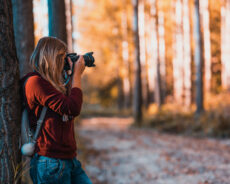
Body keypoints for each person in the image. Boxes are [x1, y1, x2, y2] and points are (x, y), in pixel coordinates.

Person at [20, 37, 92, 184]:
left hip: (69, 160)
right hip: (51, 163)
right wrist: (77, 75)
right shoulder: (35, 82)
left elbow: (68, 103)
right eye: (62, 56)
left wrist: (71, 76)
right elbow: (72, 108)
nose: (64, 60)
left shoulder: (52, 84)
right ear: (52, 57)